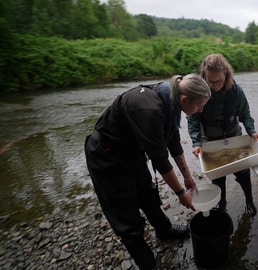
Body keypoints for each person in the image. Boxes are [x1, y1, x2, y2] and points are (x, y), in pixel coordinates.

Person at [84, 74, 211, 270]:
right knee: (126, 216)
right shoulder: (151, 110)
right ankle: (147, 264)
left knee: (148, 193)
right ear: (184, 99)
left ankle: (164, 230)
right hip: (107, 156)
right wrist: (180, 193)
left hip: (132, 151)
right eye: (199, 106)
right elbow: (160, 160)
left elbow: (173, 140)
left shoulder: (172, 98)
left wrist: (187, 177)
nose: (201, 110)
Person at [187, 53, 258, 217]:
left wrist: (252, 131)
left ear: (226, 75)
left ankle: (249, 200)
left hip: (233, 136)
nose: (214, 85)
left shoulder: (236, 90)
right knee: (217, 176)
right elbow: (192, 118)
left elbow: (245, 114)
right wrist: (196, 142)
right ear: (204, 76)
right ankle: (222, 204)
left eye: (218, 81)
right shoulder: (199, 92)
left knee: (243, 172)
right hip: (210, 139)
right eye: (210, 81)